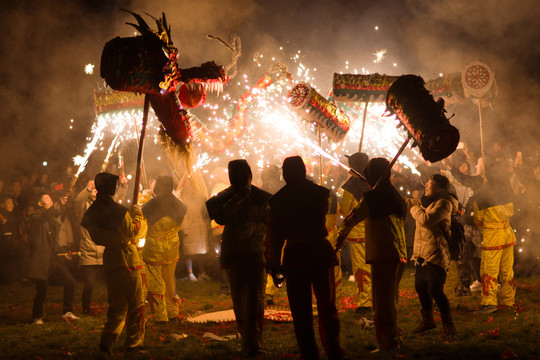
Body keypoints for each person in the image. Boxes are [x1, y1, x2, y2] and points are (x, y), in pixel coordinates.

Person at [266, 156, 345, 360]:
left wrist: (274, 263)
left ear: (285, 173)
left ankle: (309, 353)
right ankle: (333, 350)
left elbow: (274, 234)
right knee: (327, 307)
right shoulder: (320, 194)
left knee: (301, 312)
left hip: (296, 254)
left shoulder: (279, 199)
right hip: (319, 251)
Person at [337, 157, 407, 356]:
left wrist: (339, 239)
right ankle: (393, 338)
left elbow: (351, 218)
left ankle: (388, 343)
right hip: (398, 254)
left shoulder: (373, 198)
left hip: (383, 254)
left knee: (382, 303)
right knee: (390, 300)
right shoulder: (395, 195)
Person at [206, 159, 272, 357]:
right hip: (235, 254)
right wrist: (238, 198)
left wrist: (254, 228)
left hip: (255, 254)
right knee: (240, 302)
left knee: (256, 301)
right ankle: (247, 339)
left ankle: (254, 342)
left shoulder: (262, 197)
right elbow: (220, 217)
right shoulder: (226, 197)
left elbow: (270, 222)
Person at [81, 172, 147, 358]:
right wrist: (137, 215)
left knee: (117, 304)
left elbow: (96, 236)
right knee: (135, 303)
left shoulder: (92, 211)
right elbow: (133, 232)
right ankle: (134, 344)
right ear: (112, 188)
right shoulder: (119, 211)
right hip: (127, 258)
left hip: (110, 259)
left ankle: (106, 344)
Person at [406, 174, 457, 337]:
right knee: (421, 287)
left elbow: (426, 219)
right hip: (422, 253)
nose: (426, 185)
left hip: (436, 252)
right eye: (427, 182)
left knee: (436, 290)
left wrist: (413, 208)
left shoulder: (444, 203)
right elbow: (410, 203)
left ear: (441, 188)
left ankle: (449, 326)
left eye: (430, 183)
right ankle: (428, 321)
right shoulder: (426, 201)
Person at [27, 193, 78, 324]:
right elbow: (45, 216)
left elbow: (54, 244)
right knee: (42, 290)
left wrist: (64, 252)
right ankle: (36, 317)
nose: (50, 201)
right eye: (47, 199)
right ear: (40, 204)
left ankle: (67, 312)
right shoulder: (35, 218)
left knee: (70, 281)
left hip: (53, 261)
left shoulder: (52, 222)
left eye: (51, 199)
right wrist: (59, 203)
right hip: (41, 261)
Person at [142, 175, 187, 323]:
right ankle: (172, 311)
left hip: (155, 245)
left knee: (156, 281)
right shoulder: (180, 205)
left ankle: (160, 316)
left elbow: (142, 215)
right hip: (172, 245)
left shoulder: (151, 204)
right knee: (169, 280)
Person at [473, 166, 516, 313]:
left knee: (489, 269)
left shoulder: (481, 193)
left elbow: (477, 218)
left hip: (493, 236)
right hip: (508, 234)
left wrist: (485, 227)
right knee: (507, 270)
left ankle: (489, 302)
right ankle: (508, 300)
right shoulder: (507, 189)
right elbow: (512, 210)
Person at [339, 152, 372, 314]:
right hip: (373, 232)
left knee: (361, 267)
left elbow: (346, 210)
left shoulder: (351, 187)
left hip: (358, 233)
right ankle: (373, 297)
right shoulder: (374, 182)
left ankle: (364, 302)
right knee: (372, 266)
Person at [74, 180, 104, 315]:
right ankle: (85, 309)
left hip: (103, 250)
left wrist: (124, 186)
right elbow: (77, 201)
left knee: (113, 282)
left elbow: (117, 199)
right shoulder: (83, 208)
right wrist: (87, 188)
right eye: (93, 189)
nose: (95, 190)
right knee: (90, 284)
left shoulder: (103, 205)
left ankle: (114, 307)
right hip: (88, 249)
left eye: (96, 188)